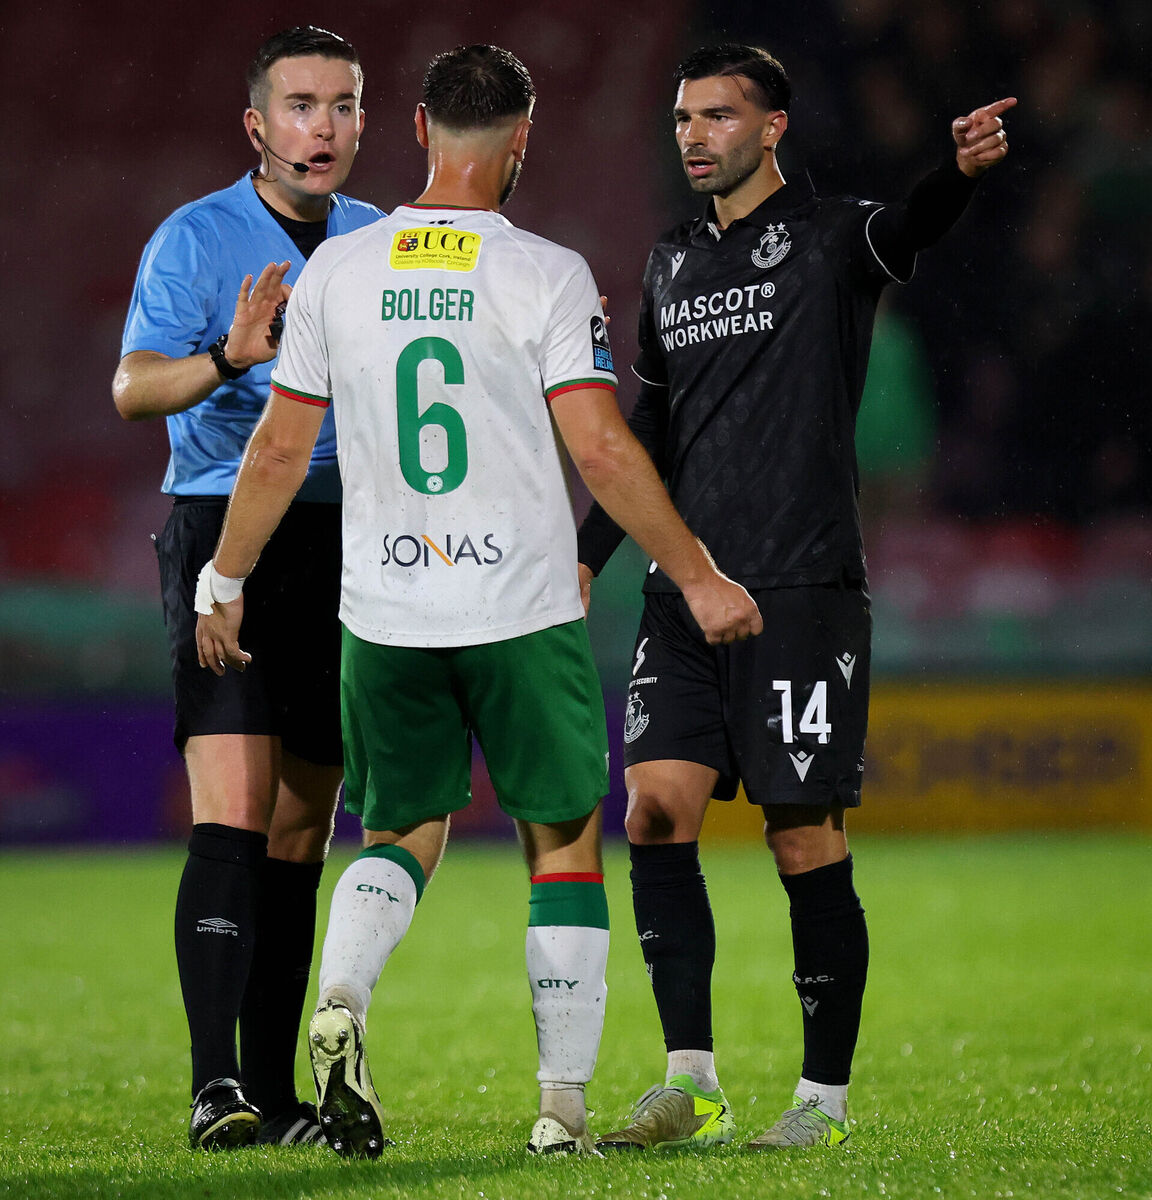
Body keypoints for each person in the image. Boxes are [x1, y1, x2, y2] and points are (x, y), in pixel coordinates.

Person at [193, 44, 761, 1159]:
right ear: (521, 141)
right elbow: (599, 447)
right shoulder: (545, 273)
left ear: (414, 130)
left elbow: (275, 452)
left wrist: (223, 580)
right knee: (561, 843)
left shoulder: (339, 274)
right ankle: (560, 1109)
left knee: (399, 830)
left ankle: (344, 995)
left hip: (388, 616)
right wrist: (695, 573)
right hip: (521, 609)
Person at [577, 43, 1015, 1151]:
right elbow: (652, 438)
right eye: (683, 117)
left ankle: (820, 1105)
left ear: (772, 126)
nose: (694, 135)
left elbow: (907, 228)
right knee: (653, 810)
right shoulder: (671, 263)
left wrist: (956, 174)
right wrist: (589, 556)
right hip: (685, 590)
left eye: (719, 116)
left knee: (801, 841)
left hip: (800, 591)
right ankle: (690, 1083)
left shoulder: (831, 238)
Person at [112, 27, 384, 1150]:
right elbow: (134, 389)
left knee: (301, 828)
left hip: (350, 545)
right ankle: (214, 1086)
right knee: (232, 805)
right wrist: (227, 357)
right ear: (257, 126)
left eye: (344, 106)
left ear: (367, 122)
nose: (323, 127)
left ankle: (277, 1100)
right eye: (302, 106)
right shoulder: (194, 236)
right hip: (227, 531)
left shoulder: (380, 243)